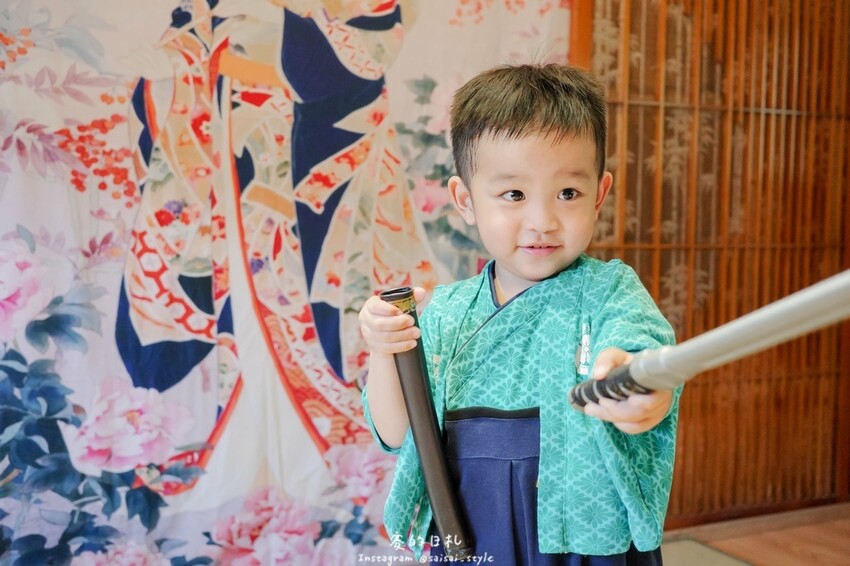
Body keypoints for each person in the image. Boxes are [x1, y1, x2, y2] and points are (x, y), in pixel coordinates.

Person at [359, 63, 680, 565]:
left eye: (568, 193)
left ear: (599, 194)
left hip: (581, 541)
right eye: (514, 194)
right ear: (465, 200)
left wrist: (636, 389)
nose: (542, 221)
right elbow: (399, 433)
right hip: (470, 528)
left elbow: (641, 355)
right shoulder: (443, 313)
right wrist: (386, 350)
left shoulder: (609, 292)